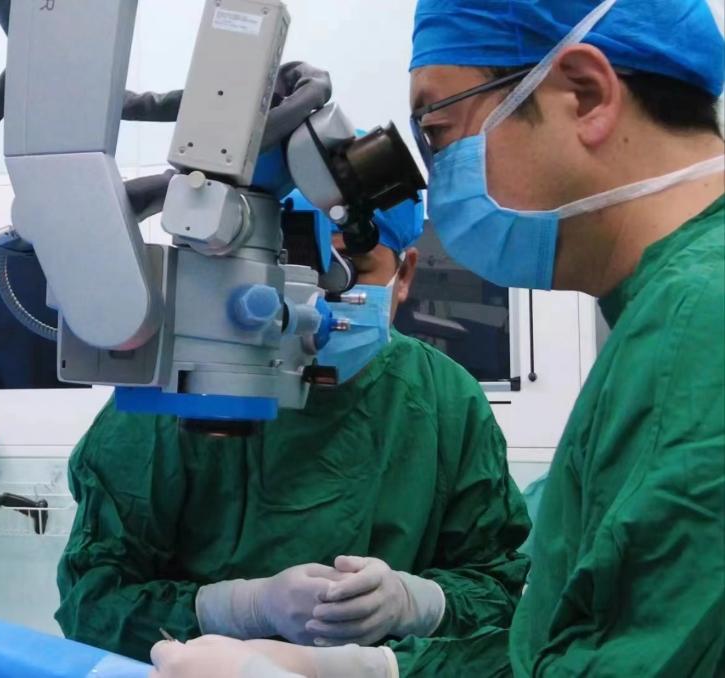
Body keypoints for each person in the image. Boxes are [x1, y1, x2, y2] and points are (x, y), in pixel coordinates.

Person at [151, 0, 725, 675]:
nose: (437, 172)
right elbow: (563, 638)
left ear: (585, 94)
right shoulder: (665, 312)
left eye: (437, 129)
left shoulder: (697, 321)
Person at [56, 193, 532, 668]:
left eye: (353, 269)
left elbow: (500, 596)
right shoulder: (179, 393)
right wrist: (242, 607)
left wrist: (414, 603)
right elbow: (92, 602)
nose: (317, 300)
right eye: (291, 267)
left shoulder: (446, 400)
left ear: (404, 274)